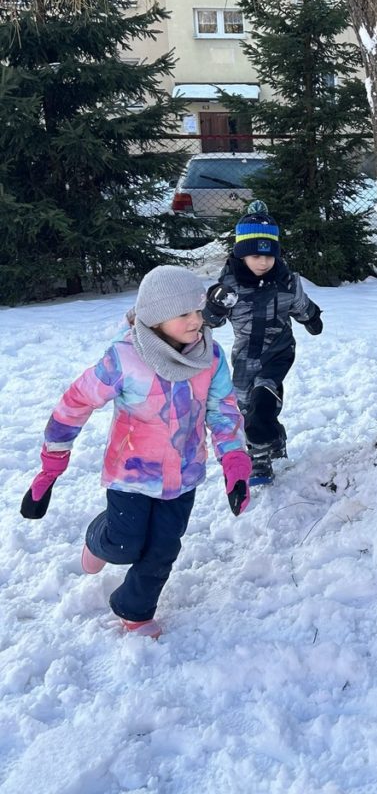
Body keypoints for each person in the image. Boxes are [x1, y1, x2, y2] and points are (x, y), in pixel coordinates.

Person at [20, 266, 252, 638]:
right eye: (184, 314)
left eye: (198, 310)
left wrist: (235, 462)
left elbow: (222, 410)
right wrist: (51, 465)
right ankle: (99, 538)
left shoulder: (210, 356)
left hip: (183, 474)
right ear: (156, 319)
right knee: (125, 543)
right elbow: (76, 402)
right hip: (130, 473)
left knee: (163, 549)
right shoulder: (125, 357)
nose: (197, 320)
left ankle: (135, 609)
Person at [203, 202, 323, 485]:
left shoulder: (285, 281)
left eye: (269, 256)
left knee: (263, 396)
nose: (263, 262)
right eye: (255, 255)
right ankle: (274, 439)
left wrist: (312, 318)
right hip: (245, 354)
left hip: (279, 350)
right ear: (242, 254)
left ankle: (258, 458)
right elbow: (211, 321)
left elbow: (300, 304)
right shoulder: (230, 285)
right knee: (245, 405)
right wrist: (213, 308)